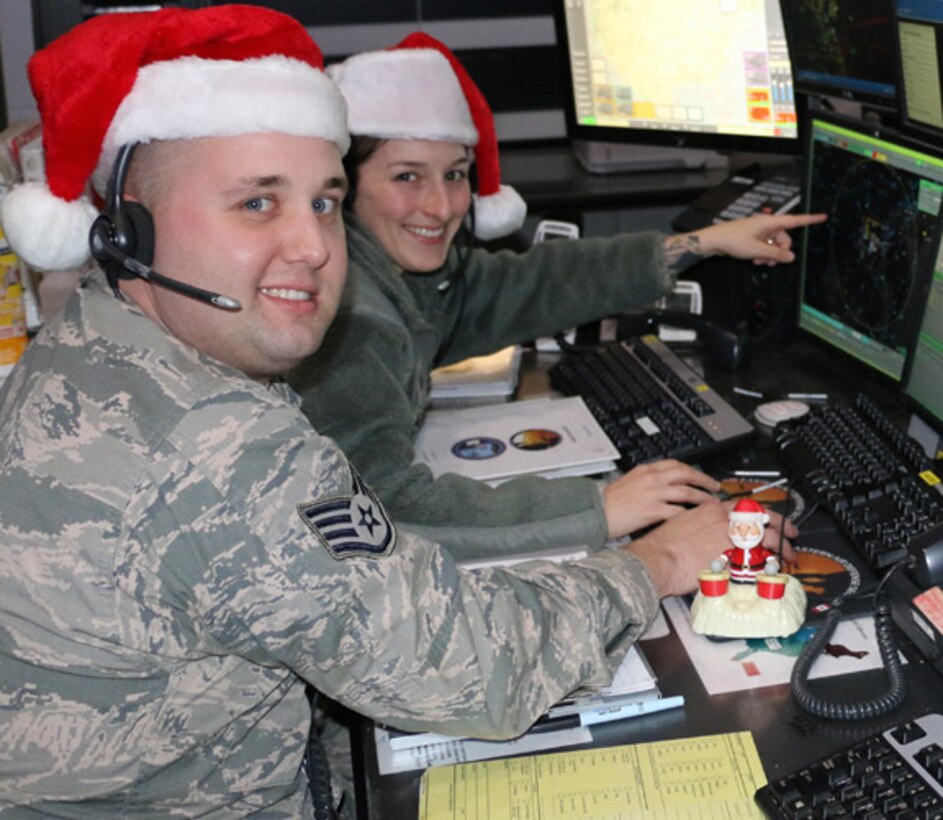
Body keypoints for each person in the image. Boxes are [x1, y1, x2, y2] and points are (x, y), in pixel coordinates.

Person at [0, 8, 798, 817]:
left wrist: (691, 246)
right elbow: (469, 670)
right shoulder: (218, 449)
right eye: (255, 204)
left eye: (321, 203)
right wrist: (658, 562)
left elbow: (510, 289)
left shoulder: (104, 345)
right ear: (128, 229)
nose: (313, 245)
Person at [287, 33, 827, 561]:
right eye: (407, 176)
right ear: (345, 188)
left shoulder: (403, 275)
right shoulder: (352, 322)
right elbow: (382, 511)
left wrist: (700, 243)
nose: (440, 205)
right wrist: (602, 506)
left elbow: (533, 283)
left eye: (455, 175)